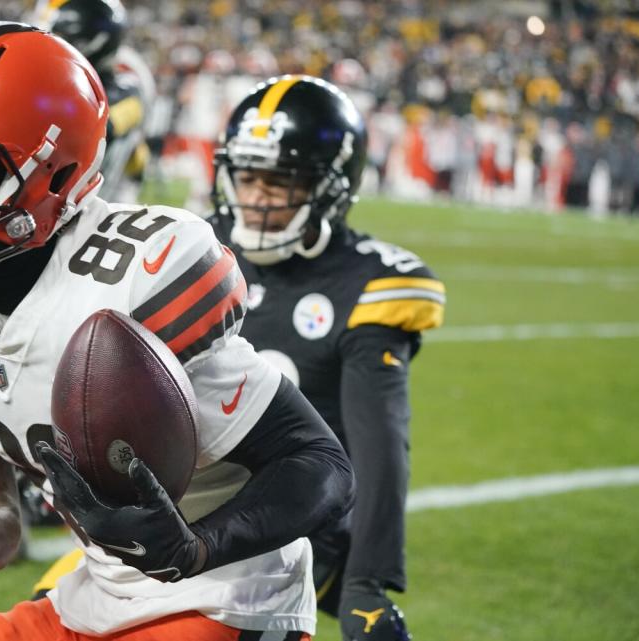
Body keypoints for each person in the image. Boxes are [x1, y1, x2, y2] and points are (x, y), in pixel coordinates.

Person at [0, 23, 354, 640]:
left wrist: (198, 548)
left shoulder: (140, 277)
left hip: (225, 599)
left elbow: (324, 464)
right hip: (94, 593)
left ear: (43, 177)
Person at [209, 75, 446, 641]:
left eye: (279, 181)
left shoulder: (370, 284)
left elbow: (379, 441)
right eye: (247, 177)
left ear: (331, 188)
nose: (258, 197)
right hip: (183, 511)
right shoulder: (197, 247)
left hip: (291, 529)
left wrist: (369, 581)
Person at [45, 0, 152, 203]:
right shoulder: (60, 86)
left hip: (89, 209)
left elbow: (96, 130)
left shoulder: (126, 91)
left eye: (67, 40)